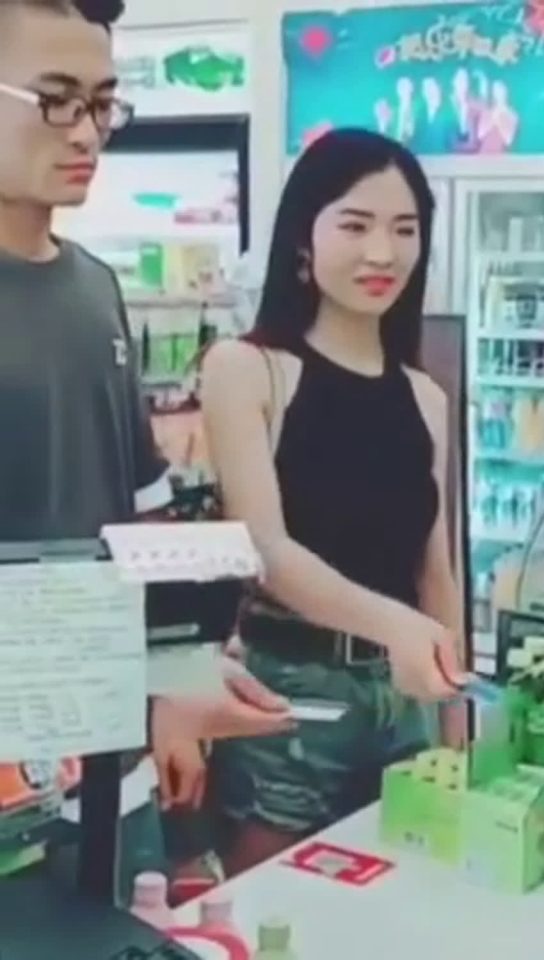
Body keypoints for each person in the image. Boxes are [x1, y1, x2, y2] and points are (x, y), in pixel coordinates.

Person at [0, 0, 291, 889]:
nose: (87, 131)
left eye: (101, 103)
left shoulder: (96, 290)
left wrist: (176, 675)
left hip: (107, 771)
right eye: (56, 99)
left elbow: (136, 515)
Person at [202, 127, 468, 875]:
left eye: (405, 229)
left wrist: (456, 725)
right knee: (269, 910)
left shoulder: (426, 396)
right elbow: (267, 551)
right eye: (355, 225)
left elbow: (436, 571)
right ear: (303, 238)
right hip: (289, 700)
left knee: (406, 903)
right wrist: (400, 628)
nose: (382, 252)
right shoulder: (247, 369)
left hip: (409, 705)